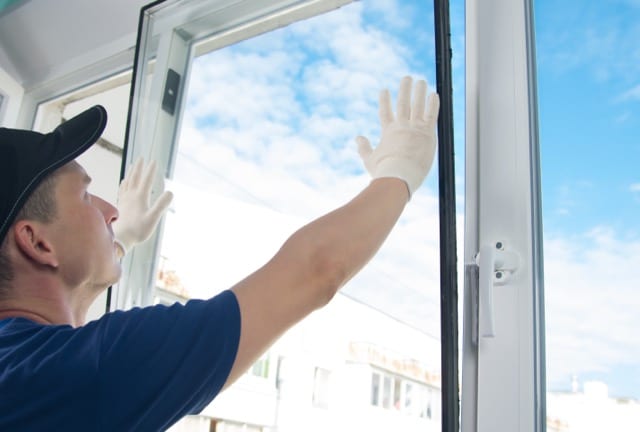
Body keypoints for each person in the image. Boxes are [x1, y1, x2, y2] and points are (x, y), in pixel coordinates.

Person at [0, 75, 439, 430]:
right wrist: (397, 173)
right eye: (86, 196)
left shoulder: (19, 369)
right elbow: (314, 271)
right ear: (37, 242)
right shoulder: (71, 374)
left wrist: (120, 244)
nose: (111, 209)